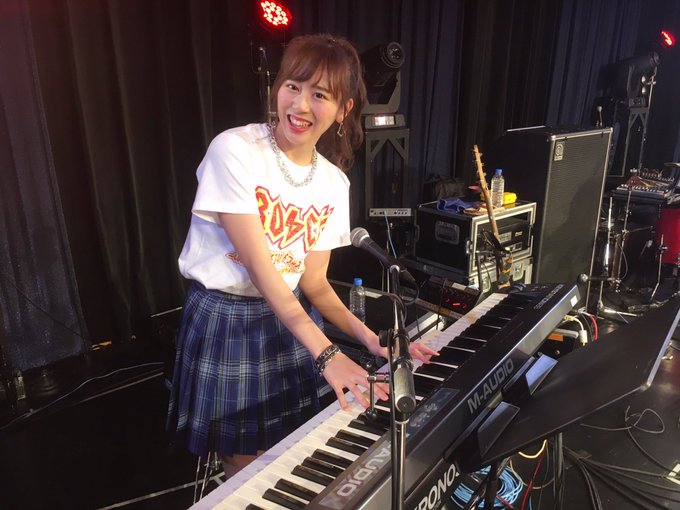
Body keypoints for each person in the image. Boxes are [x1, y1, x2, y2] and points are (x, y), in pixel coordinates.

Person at [166, 33, 437, 478]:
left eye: (320, 95)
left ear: (344, 109)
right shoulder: (235, 151)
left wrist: (372, 339)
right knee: (245, 464)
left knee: (291, 451)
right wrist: (327, 355)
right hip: (230, 319)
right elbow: (261, 268)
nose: (300, 104)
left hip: (292, 322)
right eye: (293, 86)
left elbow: (314, 284)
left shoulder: (333, 183)